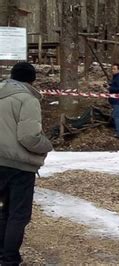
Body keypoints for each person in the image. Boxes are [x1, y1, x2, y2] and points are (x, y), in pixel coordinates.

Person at [0, 62, 53, 265]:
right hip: (18, 166)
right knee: (18, 214)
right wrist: (47, 145)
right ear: (32, 80)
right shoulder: (28, 99)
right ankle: (9, 259)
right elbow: (29, 137)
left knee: (2, 210)